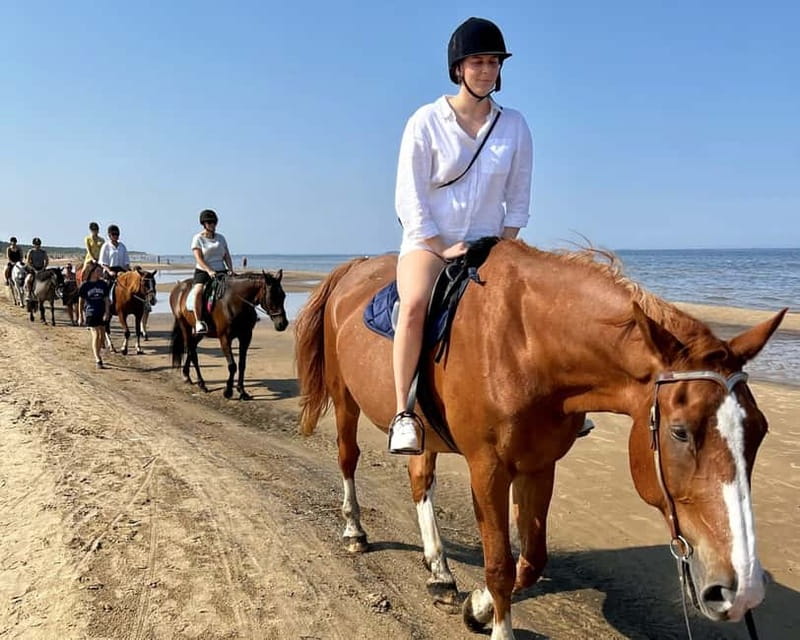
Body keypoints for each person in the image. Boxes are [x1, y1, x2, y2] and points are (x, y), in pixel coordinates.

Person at [388, 17, 534, 454]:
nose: (487, 70)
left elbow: (519, 198)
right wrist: (439, 245)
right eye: (478, 62)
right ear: (458, 68)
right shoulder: (425, 121)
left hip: (491, 245)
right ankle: (403, 414)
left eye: (493, 63)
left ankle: (551, 404)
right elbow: (408, 195)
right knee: (413, 306)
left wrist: (503, 246)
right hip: (430, 242)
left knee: (539, 306)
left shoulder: (515, 126)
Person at [190, 209, 234, 334]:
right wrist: (209, 270)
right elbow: (198, 258)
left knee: (235, 289)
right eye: (209, 223)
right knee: (198, 292)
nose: (212, 225)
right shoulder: (198, 238)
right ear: (204, 224)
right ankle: (198, 321)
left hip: (221, 270)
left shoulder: (221, 238)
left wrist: (230, 270)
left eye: (214, 223)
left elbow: (226, 255)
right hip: (203, 271)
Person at [78, 262, 111, 368]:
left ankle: (98, 352)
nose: (100, 272)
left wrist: (107, 313)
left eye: (100, 271)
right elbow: (81, 301)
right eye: (98, 271)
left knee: (102, 338)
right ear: (92, 272)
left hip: (101, 313)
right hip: (90, 313)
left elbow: (106, 300)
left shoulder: (103, 284)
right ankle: (97, 359)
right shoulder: (85, 285)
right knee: (96, 334)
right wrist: (80, 316)